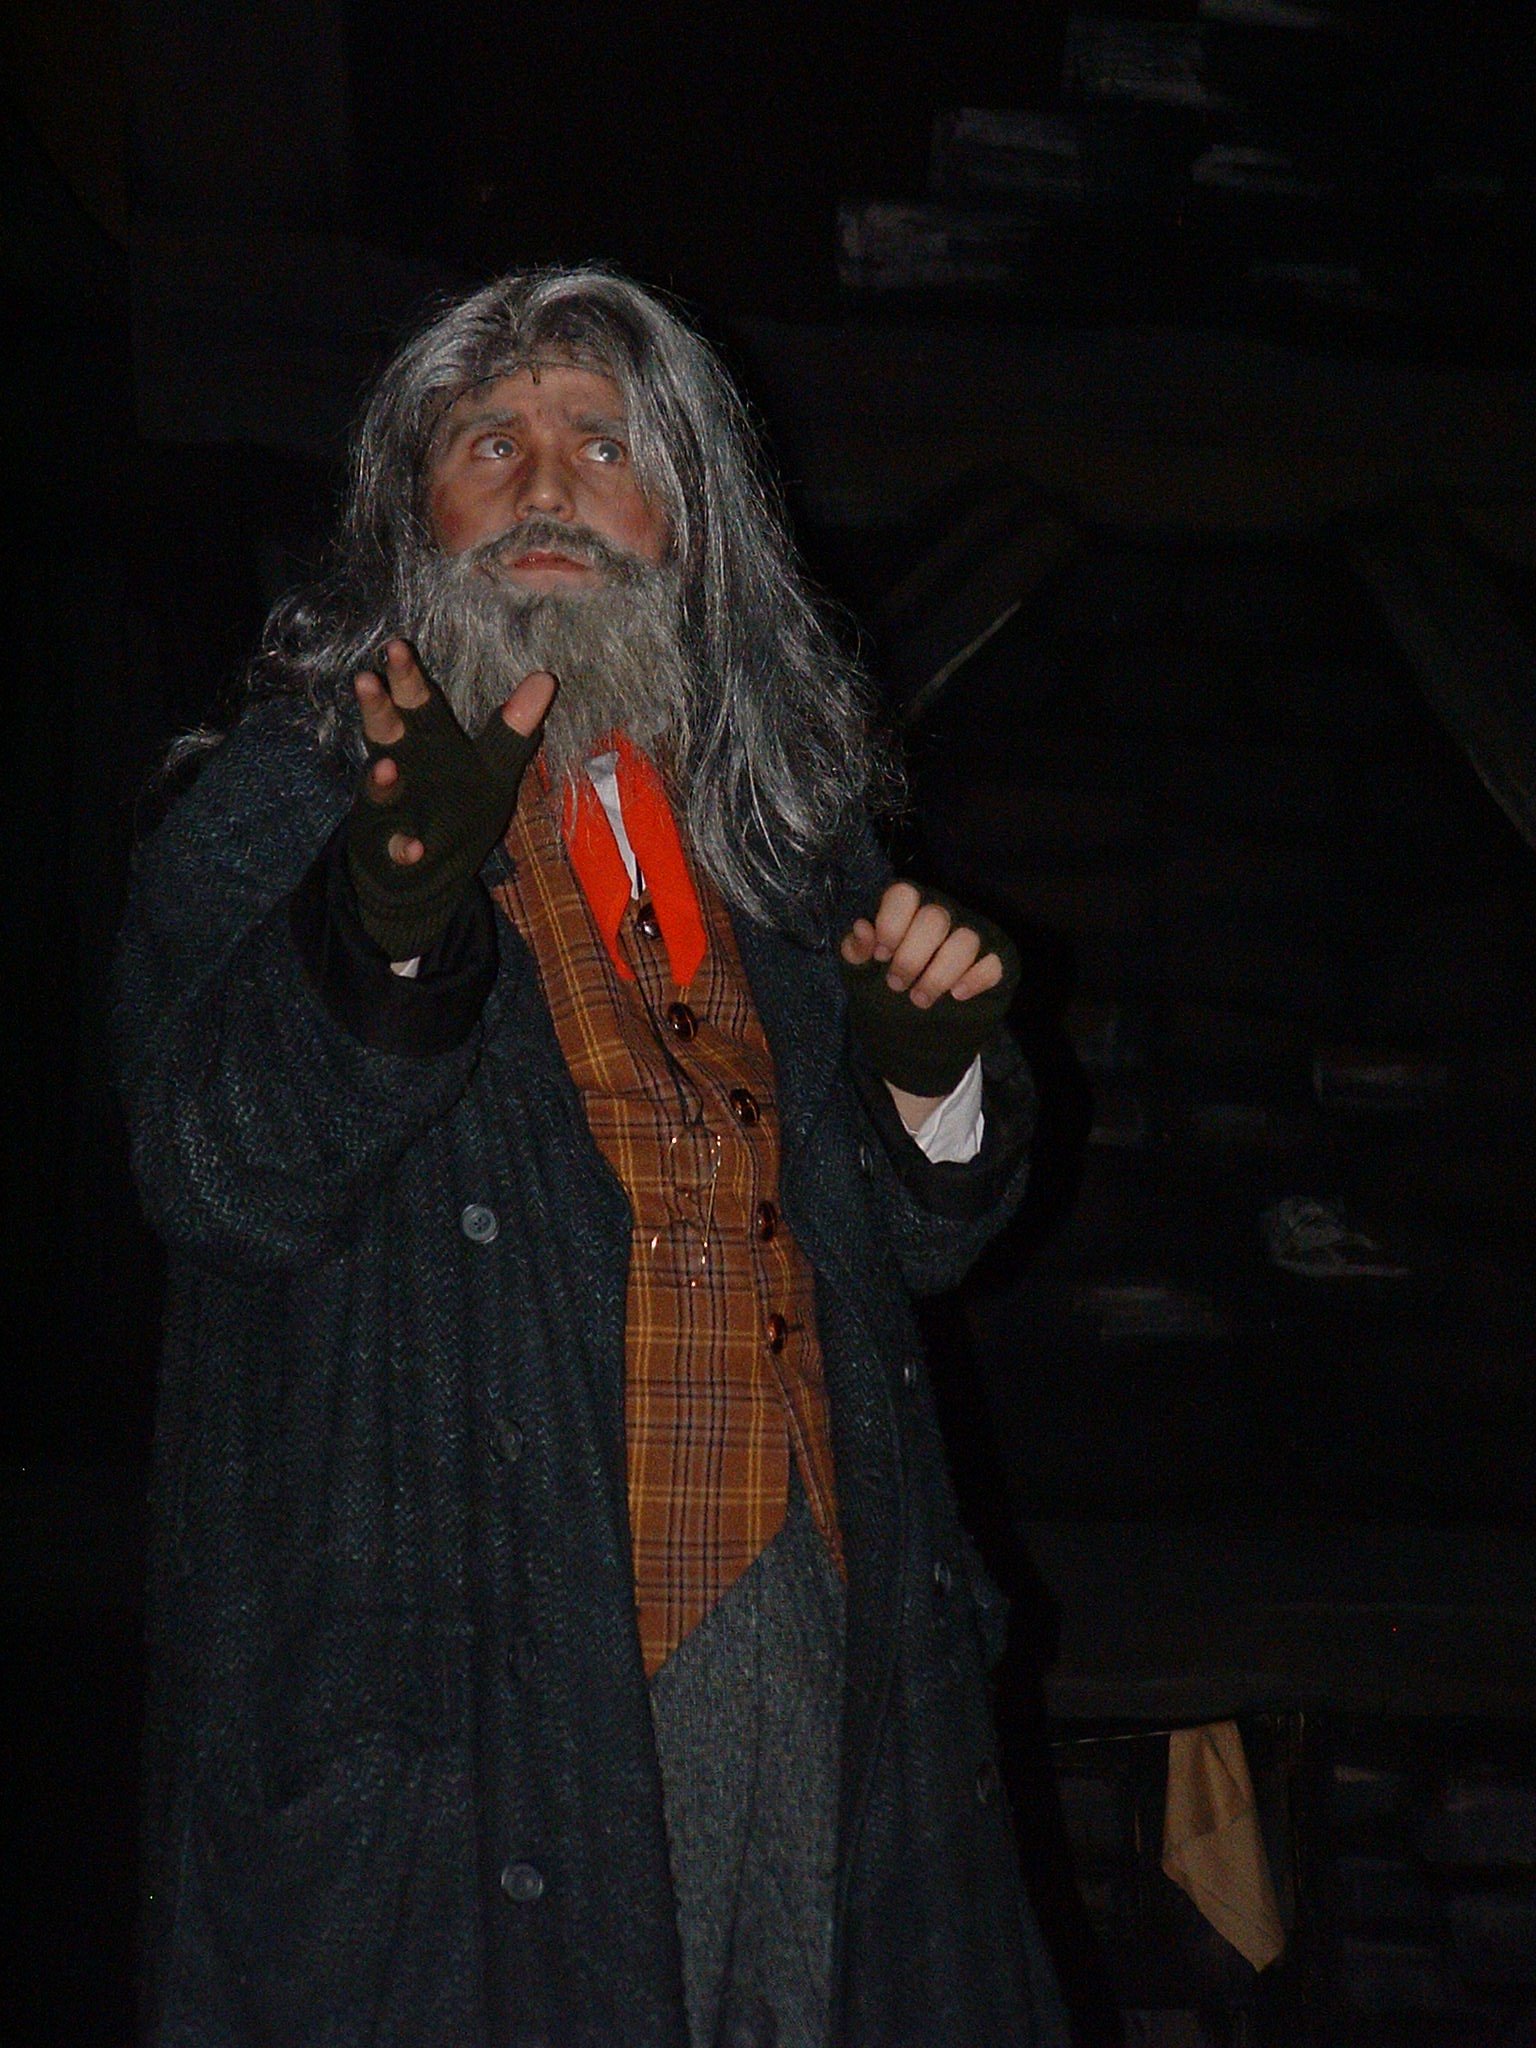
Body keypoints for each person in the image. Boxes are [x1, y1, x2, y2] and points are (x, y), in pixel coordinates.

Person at [115, 267, 1068, 2048]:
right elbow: (217, 1168)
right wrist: (383, 930)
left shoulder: (784, 846)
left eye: (603, 447)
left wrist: (931, 1083)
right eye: (490, 444)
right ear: (409, 515)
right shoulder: (283, 805)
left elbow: (924, 1246)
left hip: (817, 1639)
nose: (545, 486)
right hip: (474, 1688)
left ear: (689, 530)